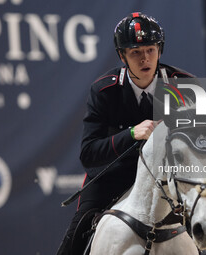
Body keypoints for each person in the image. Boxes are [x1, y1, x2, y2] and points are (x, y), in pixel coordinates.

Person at [57, 12, 195, 255]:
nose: (145, 59)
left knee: (201, 227)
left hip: (165, 180)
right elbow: (89, 154)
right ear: (122, 56)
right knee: (76, 235)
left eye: (151, 50)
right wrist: (131, 133)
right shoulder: (104, 90)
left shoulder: (184, 85)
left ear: (160, 50)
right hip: (113, 177)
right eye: (135, 52)